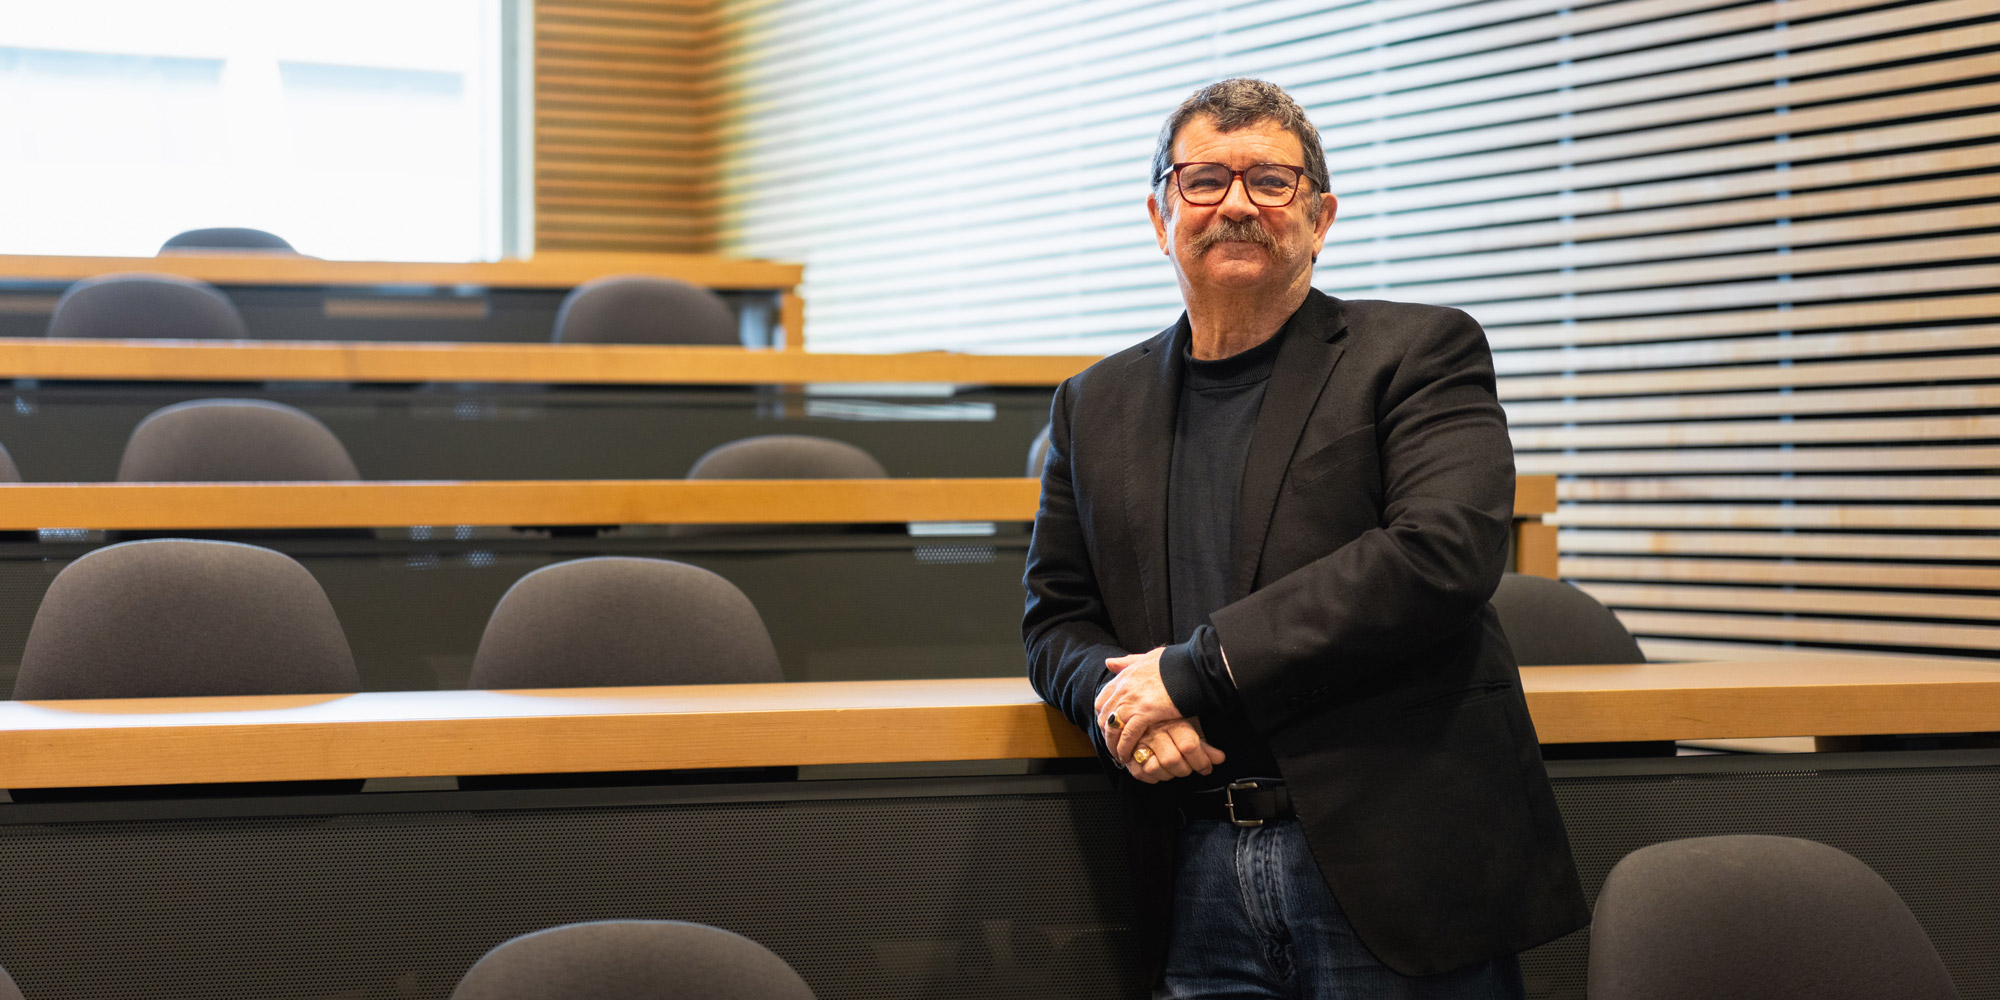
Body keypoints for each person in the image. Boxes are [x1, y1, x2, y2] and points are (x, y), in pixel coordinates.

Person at [1022, 78, 1589, 998]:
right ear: (1159, 213)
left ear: (1320, 216)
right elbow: (1056, 617)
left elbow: (1441, 553)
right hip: (1186, 867)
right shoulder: (1092, 406)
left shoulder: (1419, 354)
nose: (1236, 203)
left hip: (1393, 865)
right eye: (1203, 179)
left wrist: (1191, 672)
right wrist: (1117, 704)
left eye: (1270, 182)